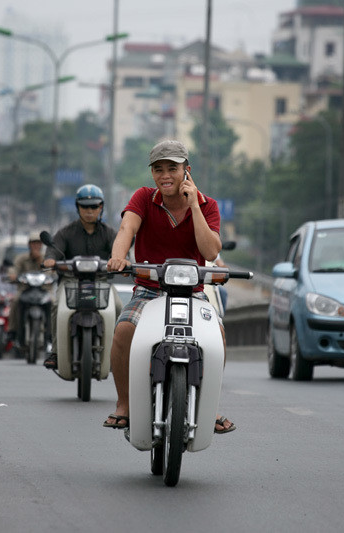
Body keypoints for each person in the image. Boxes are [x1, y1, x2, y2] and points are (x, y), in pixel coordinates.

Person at [104, 139, 235, 434]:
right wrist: (118, 257)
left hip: (193, 293)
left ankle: (209, 408)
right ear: (152, 174)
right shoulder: (142, 198)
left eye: (172, 169)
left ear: (186, 171)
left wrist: (194, 207)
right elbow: (127, 228)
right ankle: (124, 404)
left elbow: (211, 252)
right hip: (148, 290)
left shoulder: (207, 205)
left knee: (218, 334)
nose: (165, 176)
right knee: (124, 328)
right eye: (159, 169)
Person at [41, 184, 119, 369]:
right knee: (56, 306)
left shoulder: (109, 233)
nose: (90, 210)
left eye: (94, 206)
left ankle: (115, 352)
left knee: (117, 306)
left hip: (100, 282)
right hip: (70, 282)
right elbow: (52, 251)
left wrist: (122, 261)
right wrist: (50, 260)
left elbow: (120, 251)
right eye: (85, 206)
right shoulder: (65, 232)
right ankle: (56, 352)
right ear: (77, 207)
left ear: (101, 207)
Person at [7, 231, 50, 353]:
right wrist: (13, 275)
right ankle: (12, 330)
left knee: (54, 304)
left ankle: (52, 334)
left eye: (38, 243)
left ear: (41, 245)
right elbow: (13, 269)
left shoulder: (46, 258)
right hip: (25, 290)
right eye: (33, 243)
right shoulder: (21, 258)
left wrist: (41, 262)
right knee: (15, 301)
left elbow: (52, 272)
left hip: (44, 291)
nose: (36, 246)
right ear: (29, 245)